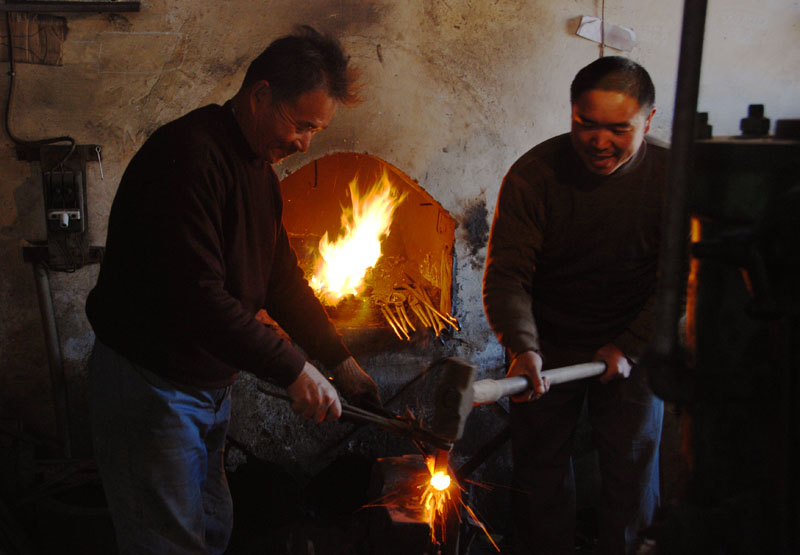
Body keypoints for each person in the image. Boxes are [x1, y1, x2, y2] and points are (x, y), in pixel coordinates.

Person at [85, 26, 380, 554]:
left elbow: (280, 278)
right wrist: (294, 369)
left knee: (213, 528)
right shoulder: (188, 157)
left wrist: (340, 362)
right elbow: (197, 297)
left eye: (316, 130)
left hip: (204, 389)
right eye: (301, 124)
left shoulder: (258, 171)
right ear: (261, 95)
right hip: (152, 384)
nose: (304, 144)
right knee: (167, 543)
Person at [482, 56, 667, 555]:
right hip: (547, 342)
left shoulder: (673, 180)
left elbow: (680, 285)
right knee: (539, 474)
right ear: (571, 114)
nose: (599, 142)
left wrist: (630, 346)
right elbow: (508, 274)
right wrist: (523, 346)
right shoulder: (534, 176)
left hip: (635, 342)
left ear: (647, 122)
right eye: (586, 124)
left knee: (631, 474)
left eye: (618, 129)